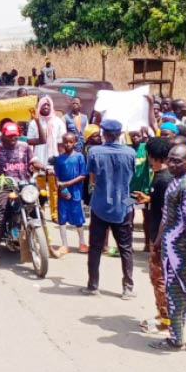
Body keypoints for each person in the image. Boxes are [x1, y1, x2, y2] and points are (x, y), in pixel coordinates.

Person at [150, 144, 186, 354]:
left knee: (176, 296)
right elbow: (167, 215)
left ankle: (176, 340)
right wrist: (158, 241)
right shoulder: (176, 182)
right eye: (171, 159)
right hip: (171, 247)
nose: (172, 164)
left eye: (178, 161)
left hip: (181, 254)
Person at [81, 119, 137, 298]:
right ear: (120, 134)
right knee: (126, 248)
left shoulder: (94, 152)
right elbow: (131, 179)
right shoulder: (130, 152)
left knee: (95, 247)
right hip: (123, 204)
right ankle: (127, 288)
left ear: (104, 134)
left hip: (100, 204)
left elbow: (92, 179)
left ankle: (93, 285)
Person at [0, 120, 44, 264]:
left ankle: (46, 246)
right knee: (1, 216)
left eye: (15, 136)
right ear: (3, 136)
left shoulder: (25, 147)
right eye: (10, 136)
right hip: (6, 186)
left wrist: (44, 167)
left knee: (39, 208)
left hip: (25, 185)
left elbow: (35, 161)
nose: (13, 138)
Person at [133, 137, 172, 333]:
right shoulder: (160, 176)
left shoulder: (164, 179)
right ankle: (162, 313)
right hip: (159, 234)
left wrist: (157, 240)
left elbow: (167, 212)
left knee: (159, 278)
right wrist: (148, 198)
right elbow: (160, 203)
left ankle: (165, 320)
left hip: (161, 237)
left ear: (152, 156)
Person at [27, 96, 65, 222]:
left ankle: (55, 214)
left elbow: (61, 142)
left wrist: (60, 160)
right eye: (43, 105)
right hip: (39, 159)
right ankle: (40, 212)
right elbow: (30, 142)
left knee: (54, 188)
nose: (46, 107)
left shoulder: (58, 122)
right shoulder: (34, 122)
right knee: (39, 188)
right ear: (40, 107)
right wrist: (32, 160)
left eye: (48, 105)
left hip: (53, 159)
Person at [54, 133, 87, 256]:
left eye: (70, 142)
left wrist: (67, 183)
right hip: (63, 192)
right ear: (62, 142)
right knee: (62, 218)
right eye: (66, 142)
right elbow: (56, 175)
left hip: (76, 191)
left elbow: (83, 175)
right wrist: (60, 186)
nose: (68, 144)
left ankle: (82, 243)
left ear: (75, 143)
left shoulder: (79, 157)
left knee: (78, 218)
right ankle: (64, 245)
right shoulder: (59, 159)